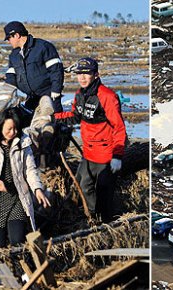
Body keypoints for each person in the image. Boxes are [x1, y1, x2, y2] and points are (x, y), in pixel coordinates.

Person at [46, 57, 126, 223]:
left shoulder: (107, 97)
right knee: (83, 185)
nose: (82, 77)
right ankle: (91, 218)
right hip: (88, 153)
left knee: (104, 191)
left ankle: (106, 223)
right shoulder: (79, 95)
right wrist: (53, 117)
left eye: (86, 73)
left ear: (95, 75)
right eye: (79, 74)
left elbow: (119, 128)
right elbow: (75, 116)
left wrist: (117, 156)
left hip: (106, 155)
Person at [0, 107, 50, 247]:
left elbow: (29, 170)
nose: (13, 133)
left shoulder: (23, 143)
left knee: (17, 239)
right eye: (9, 129)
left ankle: (20, 266)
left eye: (16, 129)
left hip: (17, 195)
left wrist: (37, 188)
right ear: (0, 126)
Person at [4, 21, 64, 113]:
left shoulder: (43, 47)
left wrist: (56, 92)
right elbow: (11, 77)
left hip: (49, 96)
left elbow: (56, 71)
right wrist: (8, 95)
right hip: (31, 98)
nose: (8, 42)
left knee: (54, 124)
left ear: (16, 35)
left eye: (9, 38)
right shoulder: (14, 55)